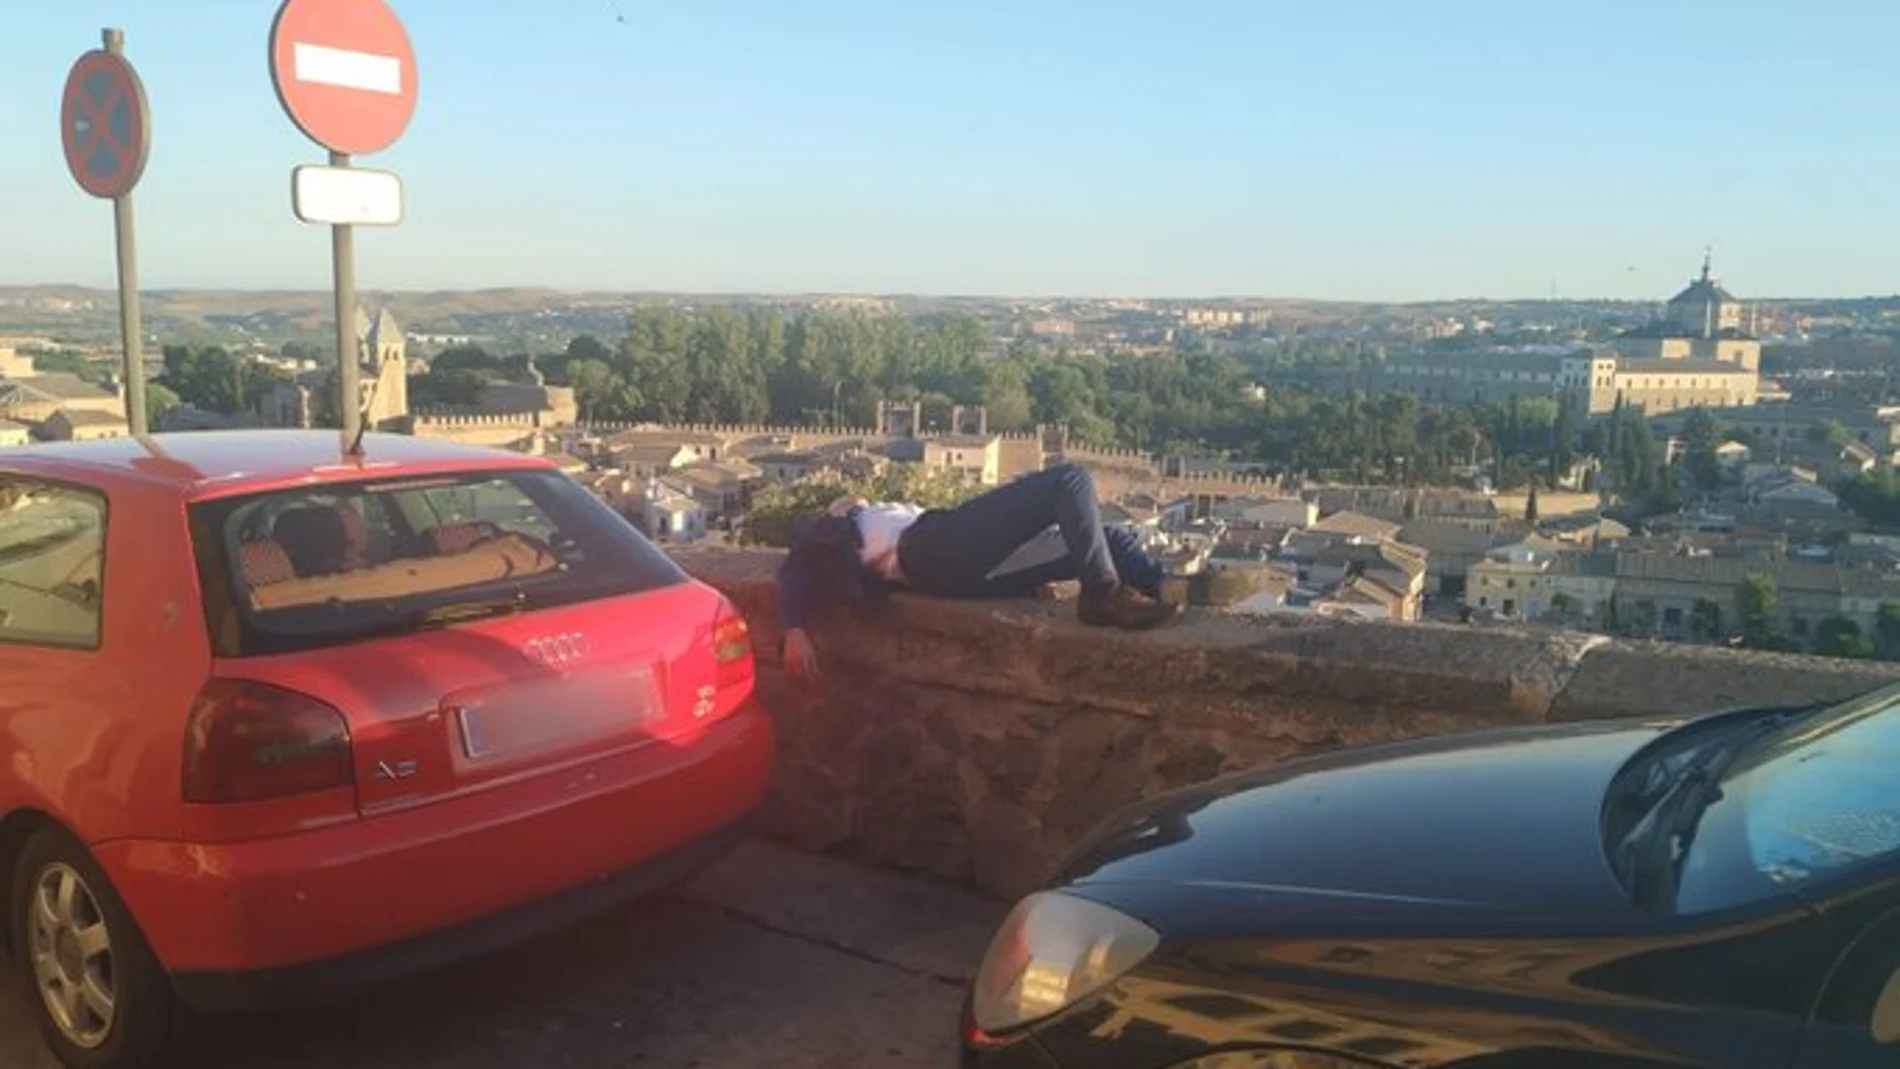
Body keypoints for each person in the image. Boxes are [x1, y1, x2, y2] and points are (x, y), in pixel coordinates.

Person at [777, 462, 1184, 679]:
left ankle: (1163, 588)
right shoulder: (830, 530)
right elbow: (794, 566)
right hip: (930, 545)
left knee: (1108, 538)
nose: (854, 498)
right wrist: (793, 628)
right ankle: (1100, 594)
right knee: (1070, 480)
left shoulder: (873, 514)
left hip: (961, 571)